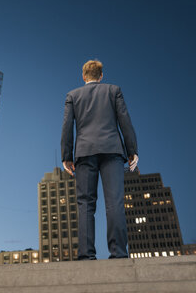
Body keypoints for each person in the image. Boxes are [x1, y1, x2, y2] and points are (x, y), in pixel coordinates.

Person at [61, 60, 138, 260]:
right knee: (115, 202)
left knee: (85, 204)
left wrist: (66, 157)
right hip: (112, 150)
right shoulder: (114, 91)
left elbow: (67, 127)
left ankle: (86, 255)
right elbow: (125, 120)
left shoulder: (72, 96)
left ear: (84, 76)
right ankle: (119, 253)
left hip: (85, 152)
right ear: (101, 76)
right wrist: (132, 150)